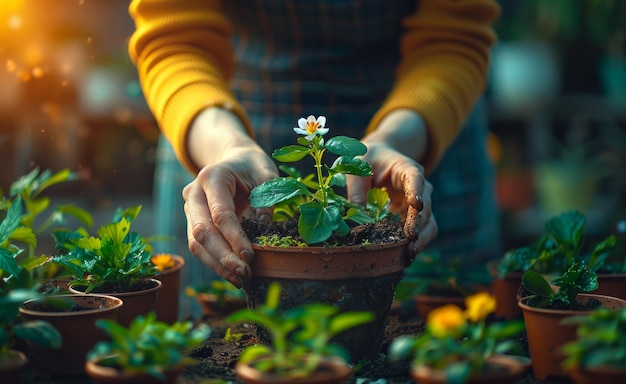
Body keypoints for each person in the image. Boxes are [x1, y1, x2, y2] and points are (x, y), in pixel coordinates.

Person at [128, 0, 502, 316]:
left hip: (418, 128)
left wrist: (398, 138)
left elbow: (455, 32)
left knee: (437, 335)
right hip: (224, 122)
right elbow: (174, 35)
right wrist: (227, 147)